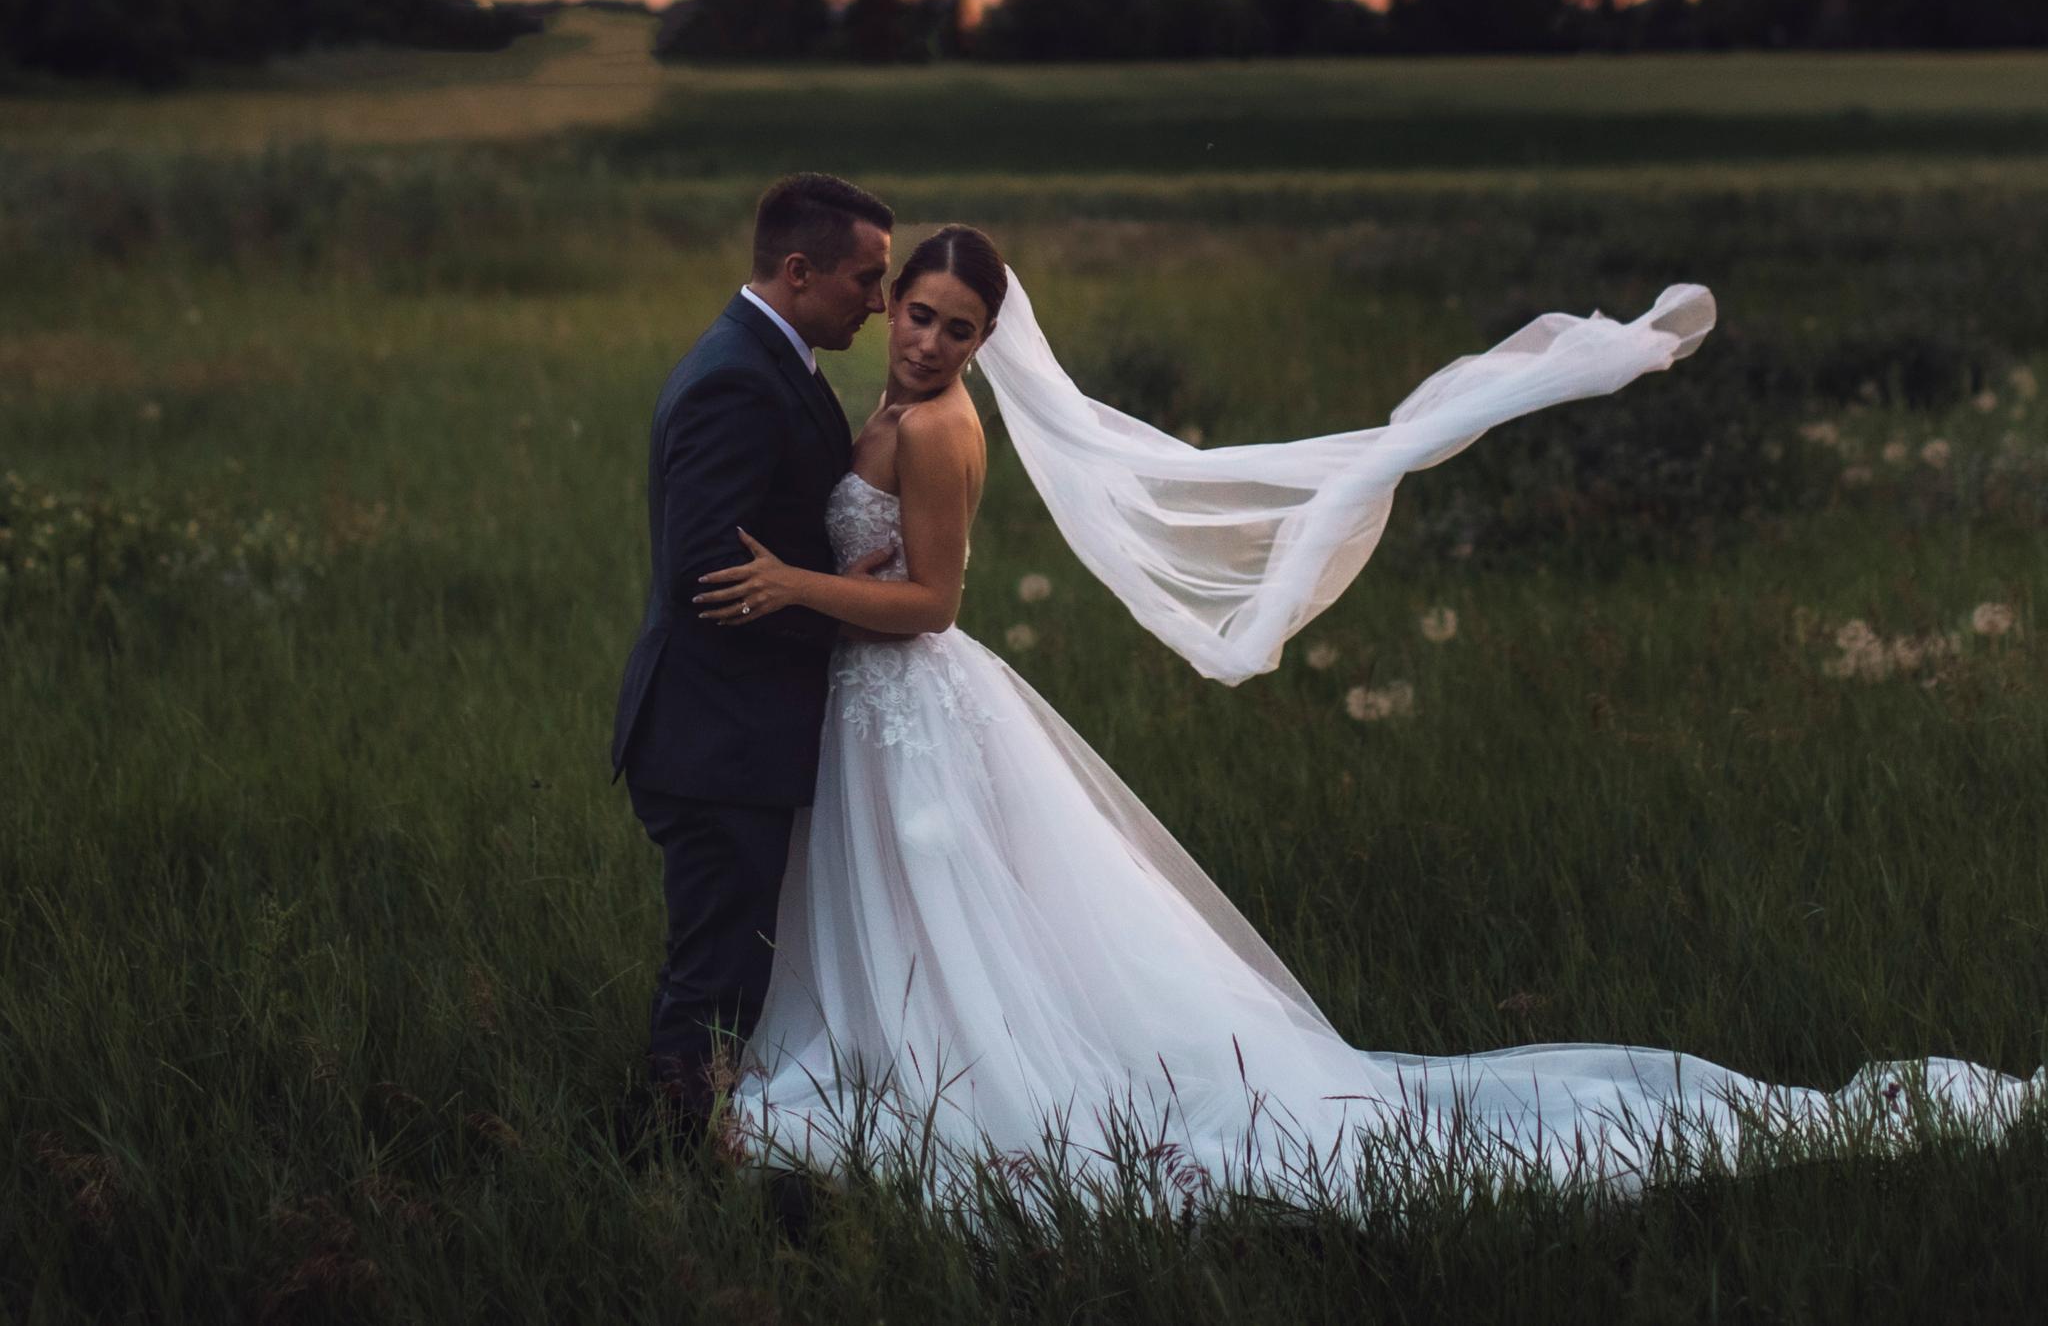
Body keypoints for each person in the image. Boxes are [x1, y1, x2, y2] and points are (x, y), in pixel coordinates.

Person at [695, 225, 2039, 1206]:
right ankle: (880, 1056)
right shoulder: (896, 399)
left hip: (909, 697)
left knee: (960, 922)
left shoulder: (939, 428)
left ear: (989, 341)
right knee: (907, 913)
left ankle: (971, 1088)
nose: (925, 335)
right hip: (868, 709)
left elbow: (934, 601)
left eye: (953, 324)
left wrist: (795, 580)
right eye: (914, 312)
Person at [611, 170, 894, 1146]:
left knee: (742, 962)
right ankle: (667, 1162)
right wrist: (845, 605)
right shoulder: (736, 373)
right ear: (798, 267)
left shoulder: (784, 358)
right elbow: (707, 567)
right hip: (712, 736)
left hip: (741, 728)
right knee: (716, 970)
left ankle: (712, 1144)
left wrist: (825, 574)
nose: (880, 301)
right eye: (866, 277)